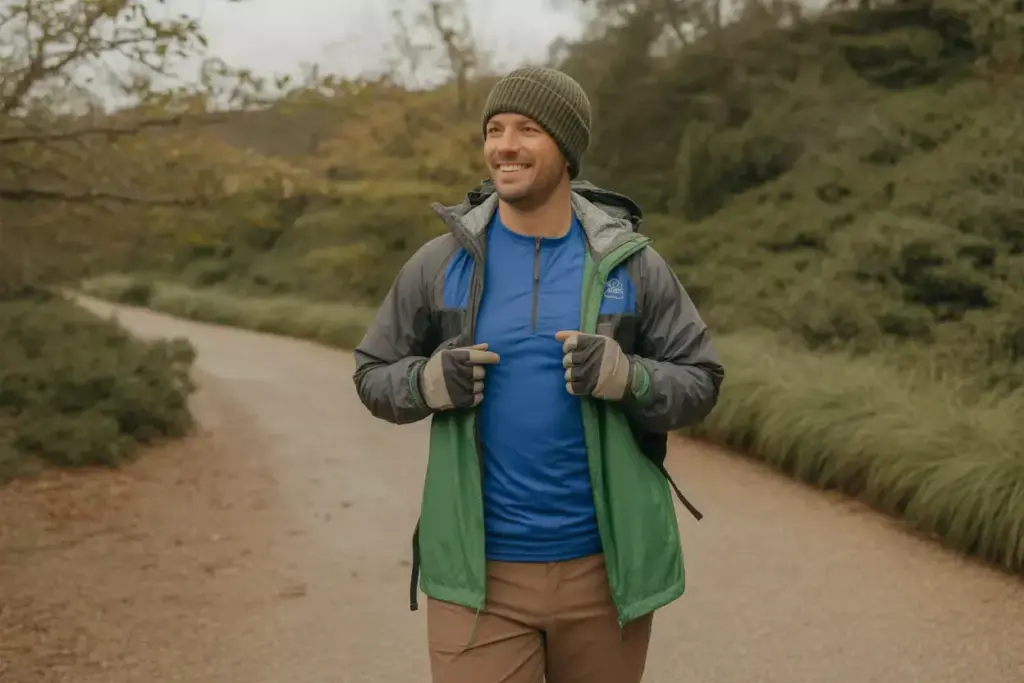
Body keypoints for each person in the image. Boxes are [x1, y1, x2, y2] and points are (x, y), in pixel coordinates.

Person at [352, 66, 725, 683]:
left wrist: (627, 377)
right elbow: (371, 373)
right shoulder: (440, 263)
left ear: (567, 149)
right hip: (477, 575)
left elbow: (701, 378)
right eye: (494, 129)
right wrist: (425, 384)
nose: (505, 145)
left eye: (527, 129)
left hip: (604, 573)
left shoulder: (630, 265)